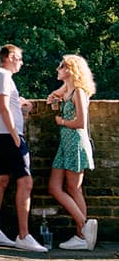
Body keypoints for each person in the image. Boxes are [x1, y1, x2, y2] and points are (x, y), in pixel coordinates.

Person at [0, 44, 47, 251]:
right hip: (9, 136)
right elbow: (2, 107)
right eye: (19, 58)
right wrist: (15, 135)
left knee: (1, 180)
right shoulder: (2, 75)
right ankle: (23, 235)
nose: (21, 62)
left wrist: (20, 105)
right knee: (26, 182)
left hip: (0, 135)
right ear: (10, 57)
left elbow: (7, 103)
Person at [47, 54, 98, 250]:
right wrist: (54, 96)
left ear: (70, 69)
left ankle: (82, 234)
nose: (58, 69)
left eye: (61, 66)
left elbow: (80, 123)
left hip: (75, 142)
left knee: (74, 189)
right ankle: (85, 227)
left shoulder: (79, 92)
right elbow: (56, 94)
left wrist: (61, 122)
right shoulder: (69, 89)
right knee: (54, 187)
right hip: (65, 144)